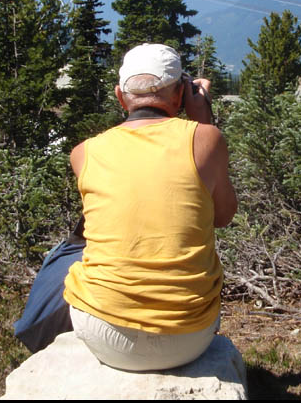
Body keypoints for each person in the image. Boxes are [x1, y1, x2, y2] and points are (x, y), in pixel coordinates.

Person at [62, 43, 238, 371]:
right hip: (187, 336)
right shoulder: (206, 139)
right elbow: (224, 216)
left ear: (120, 97)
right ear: (180, 94)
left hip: (102, 334)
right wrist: (203, 118)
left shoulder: (83, 152)